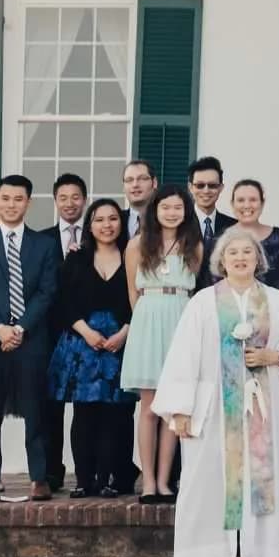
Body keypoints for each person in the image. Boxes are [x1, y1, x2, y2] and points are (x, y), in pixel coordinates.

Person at [150, 226, 279, 557]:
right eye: (232, 252)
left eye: (247, 251)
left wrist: (276, 356)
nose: (241, 257)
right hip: (213, 414)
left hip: (263, 409)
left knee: (254, 486)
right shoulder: (203, 302)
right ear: (221, 261)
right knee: (200, 486)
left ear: (258, 259)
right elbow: (183, 356)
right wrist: (180, 409)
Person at [0, 174, 61, 502]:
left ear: (28, 203)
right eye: (5, 198)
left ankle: (39, 477)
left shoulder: (45, 246)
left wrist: (19, 328)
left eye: (18, 199)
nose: (10, 205)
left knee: (36, 411)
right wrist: (0, 328)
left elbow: (47, 292)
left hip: (31, 341)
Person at [45, 198, 136, 498]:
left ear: (121, 224)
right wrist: (86, 332)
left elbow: (141, 298)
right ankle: (85, 479)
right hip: (83, 344)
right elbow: (64, 302)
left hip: (120, 344)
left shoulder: (132, 255)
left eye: (112, 219)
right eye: (99, 219)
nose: (106, 225)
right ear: (90, 225)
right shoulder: (76, 258)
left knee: (115, 414)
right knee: (84, 414)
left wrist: (125, 332)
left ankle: (111, 479)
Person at [120, 183, 203, 504]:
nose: (171, 213)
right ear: (155, 210)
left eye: (177, 208)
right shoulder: (137, 245)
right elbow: (131, 292)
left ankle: (166, 481)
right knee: (149, 407)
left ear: (186, 212)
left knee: (174, 407)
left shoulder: (192, 246)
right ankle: (149, 482)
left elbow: (196, 289)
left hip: (181, 318)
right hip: (148, 318)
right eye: (165, 207)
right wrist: (142, 323)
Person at [227, 179, 279, 289]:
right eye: (241, 200)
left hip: (273, 305)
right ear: (232, 204)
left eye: (253, 200)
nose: (247, 205)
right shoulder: (221, 240)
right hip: (230, 304)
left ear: (262, 203)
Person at [189, 157, 229, 256]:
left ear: (221, 188)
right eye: (200, 185)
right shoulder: (179, 224)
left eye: (212, 185)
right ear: (190, 187)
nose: (206, 191)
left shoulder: (233, 227)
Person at [120, 161, 157, 239]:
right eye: (129, 180)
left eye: (142, 179)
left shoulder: (166, 219)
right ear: (123, 187)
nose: (135, 185)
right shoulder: (116, 220)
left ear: (154, 183)